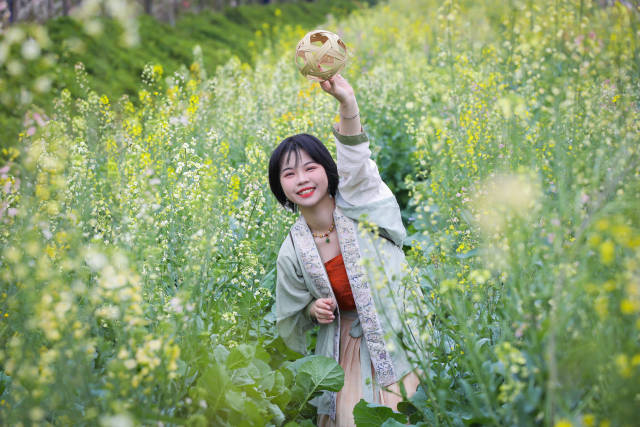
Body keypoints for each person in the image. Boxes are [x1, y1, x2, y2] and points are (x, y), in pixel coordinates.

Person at [268, 74, 420, 426]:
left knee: (411, 414)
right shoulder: (291, 250)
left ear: (328, 170)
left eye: (311, 167)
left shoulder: (357, 201)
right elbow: (289, 315)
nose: (302, 179)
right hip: (344, 350)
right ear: (280, 186)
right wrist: (310, 308)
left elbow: (355, 158)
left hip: (398, 335)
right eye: (289, 174)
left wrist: (347, 103)